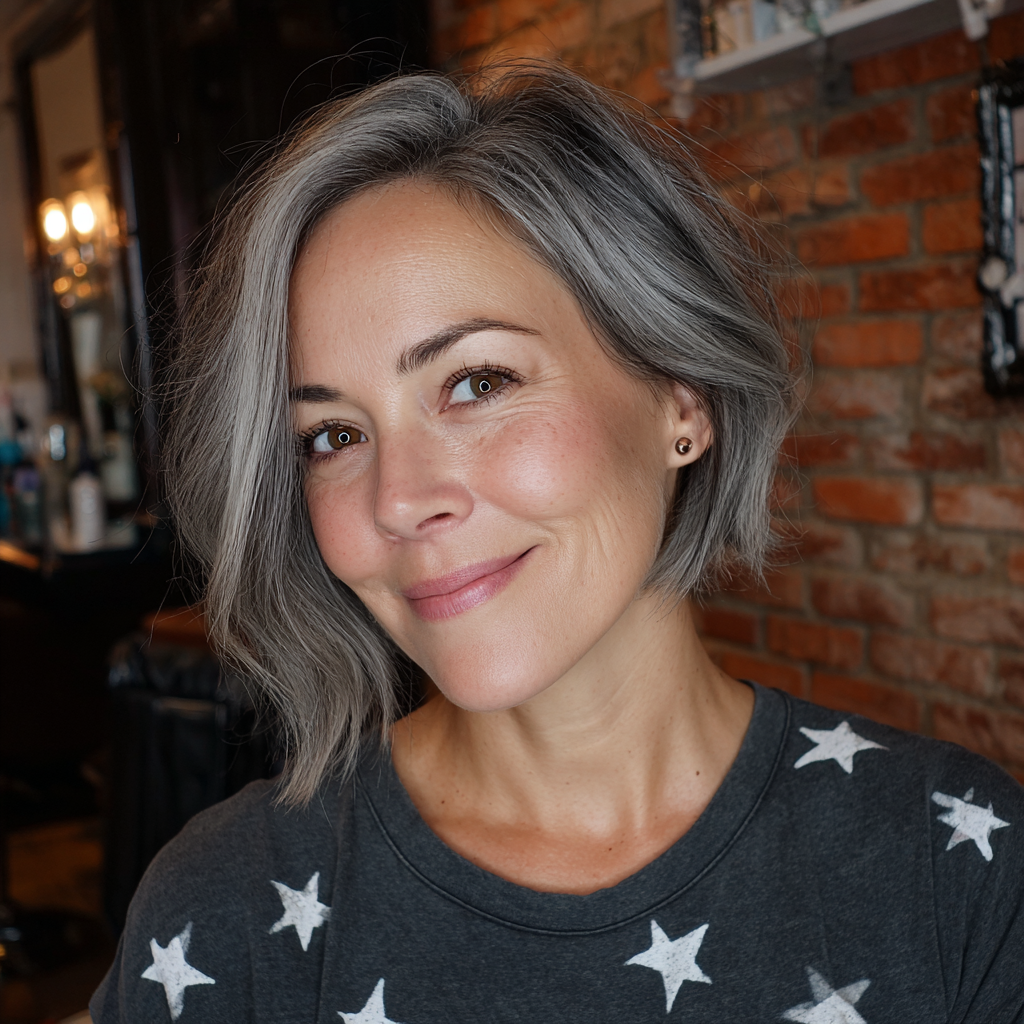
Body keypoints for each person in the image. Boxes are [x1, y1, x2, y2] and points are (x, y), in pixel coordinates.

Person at [91, 64, 1024, 1024]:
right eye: (332, 436)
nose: (400, 500)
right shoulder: (222, 913)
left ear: (680, 397)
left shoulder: (956, 868)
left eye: (477, 384)